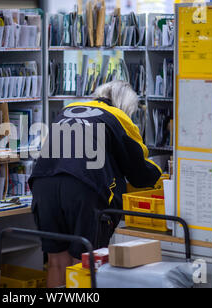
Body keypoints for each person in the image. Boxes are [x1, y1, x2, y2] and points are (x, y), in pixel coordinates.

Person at [28, 81, 162, 288]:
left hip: (43, 184)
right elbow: (139, 171)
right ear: (126, 106)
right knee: (83, 262)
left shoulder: (69, 109)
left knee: (56, 262)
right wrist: (161, 174)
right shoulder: (119, 118)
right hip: (83, 188)